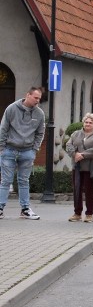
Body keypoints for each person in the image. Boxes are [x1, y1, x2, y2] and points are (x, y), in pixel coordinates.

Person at [0, 86, 45, 220]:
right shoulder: (11, 109)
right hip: (9, 150)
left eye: (39, 99)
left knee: (24, 181)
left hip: (27, 151)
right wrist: (2, 148)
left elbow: (40, 133)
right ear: (28, 95)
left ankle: (25, 209)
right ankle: (0, 208)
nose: (37, 101)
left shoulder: (39, 114)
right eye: (35, 97)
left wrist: (34, 150)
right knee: (6, 181)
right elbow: (3, 128)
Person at [65, 113, 93, 222]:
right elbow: (69, 145)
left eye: (90, 123)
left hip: (90, 167)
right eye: (86, 122)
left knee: (89, 191)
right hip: (77, 167)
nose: (88, 124)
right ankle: (77, 213)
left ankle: (89, 214)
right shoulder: (76, 134)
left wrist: (82, 155)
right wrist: (74, 154)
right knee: (76, 190)